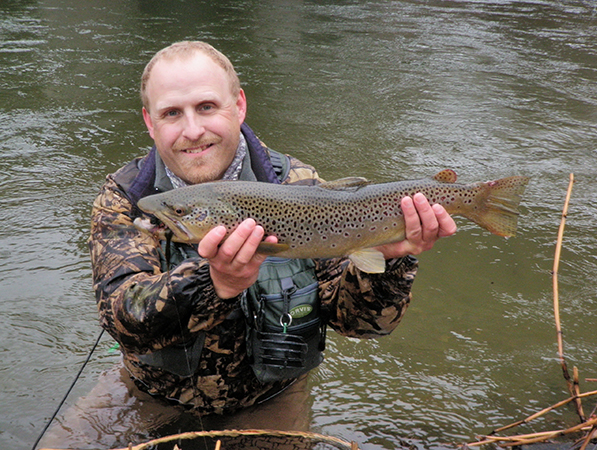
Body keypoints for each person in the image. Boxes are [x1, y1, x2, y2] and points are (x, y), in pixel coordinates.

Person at [41, 41, 456, 448]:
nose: (192, 130)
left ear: (238, 105)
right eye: (172, 113)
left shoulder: (300, 185)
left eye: (206, 107)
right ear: (150, 122)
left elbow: (363, 324)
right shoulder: (131, 198)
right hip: (148, 393)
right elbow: (121, 317)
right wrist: (214, 283)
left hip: (269, 400)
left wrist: (389, 259)